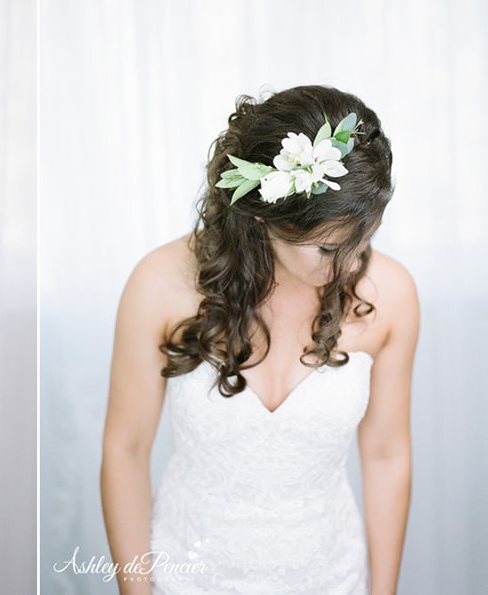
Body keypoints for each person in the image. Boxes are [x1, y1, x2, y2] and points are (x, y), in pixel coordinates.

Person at [101, 85, 416, 594]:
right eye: (330, 248)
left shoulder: (392, 295)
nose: (356, 264)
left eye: (368, 237)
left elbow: (386, 454)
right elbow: (126, 450)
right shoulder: (157, 284)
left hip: (330, 576)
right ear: (264, 217)